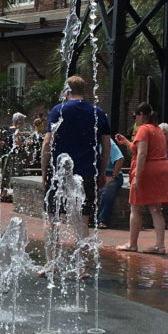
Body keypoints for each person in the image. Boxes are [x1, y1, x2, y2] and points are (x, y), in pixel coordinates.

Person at [41, 75, 111, 241]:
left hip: (60, 172)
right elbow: (106, 146)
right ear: (83, 92)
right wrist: (102, 172)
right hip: (87, 172)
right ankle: (81, 266)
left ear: (67, 92)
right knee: (82, 220)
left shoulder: (59, 110)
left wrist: (44, 171)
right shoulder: (98, 113)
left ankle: (51, 263)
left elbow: (47, 143)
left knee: (51, 217)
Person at [115, 103, 168, 254]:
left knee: (135, 207)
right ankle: (160, 246)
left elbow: (142, 154)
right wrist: (127, 142)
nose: (135, 120)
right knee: (155, 209)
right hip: (163, 168)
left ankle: (132, 244)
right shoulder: (158, 129)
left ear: (141, 114)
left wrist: (137, 178)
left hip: (148, 170)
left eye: (135, 116)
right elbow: (142, 150)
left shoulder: (143, 129)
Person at [96, 138, 125, 228]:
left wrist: (113, 177)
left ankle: (102, 220)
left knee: (107, 190)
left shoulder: (107, 142)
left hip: (111, 173)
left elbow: (120, 158)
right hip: (96, 174)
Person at [0, 112, 28, 200]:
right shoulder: (17, 131)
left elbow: (1, 142)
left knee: (5, 175)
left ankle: (3, 194)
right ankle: (16, 195)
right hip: (13, 156)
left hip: (5, 156)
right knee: (15, 175)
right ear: (19, 122)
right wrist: (25, 143)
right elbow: (18, 144)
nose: (24, 123)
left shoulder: (7, 130)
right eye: (23, 121)